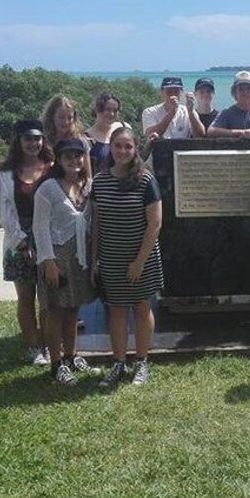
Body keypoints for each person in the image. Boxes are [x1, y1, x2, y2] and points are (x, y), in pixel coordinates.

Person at [91, 127, 164, 388]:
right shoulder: (99, 181)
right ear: (110, 147)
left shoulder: (146, 180)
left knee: (142, 308)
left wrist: (139, 262)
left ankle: (142, 362)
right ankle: (119, 363)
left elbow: (154, 224)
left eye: (128, 146)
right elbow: (97, 222)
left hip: (140, 258)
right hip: (111, 258)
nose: (123, 151)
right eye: (118, 146)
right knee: (117, 311)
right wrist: (94, 259)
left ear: (135, 150)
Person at [33, 138, 100, 385]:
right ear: (59, 161)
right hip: (57, 255)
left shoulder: (88, 186)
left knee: (73, 309)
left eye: (78, 156)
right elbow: (39, 227)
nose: (74, 161)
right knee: (55, 311)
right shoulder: (48, 188)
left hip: (79, 256)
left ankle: (71, 356)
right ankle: (56, 363)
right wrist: (48, 261)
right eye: (68, 156)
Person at [0, 119, 54, 366]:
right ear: (19, 141)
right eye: (28, 139)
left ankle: (50, 345)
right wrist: (20, 242)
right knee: (26, 297)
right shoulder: (6, 173)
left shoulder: (52, 168)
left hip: (49, 237)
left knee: (49, 297)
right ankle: (33, 347)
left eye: (37, 138)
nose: (33, 143)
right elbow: (3, 210)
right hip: (19, 240)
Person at [207, 71, 250, 138]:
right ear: (234, 92)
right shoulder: (227, 113)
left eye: (248, 89)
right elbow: (211, 131)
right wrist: (239, 132)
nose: (245, 92)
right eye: (241, 89)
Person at [142, 76, 205, 141]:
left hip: (181, 150)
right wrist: (171, 113)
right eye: (169, 92)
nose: (173, 95)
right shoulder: (149, 112)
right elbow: (149, 135)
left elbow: (200, 136)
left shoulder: (187, 111)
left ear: (181, 93)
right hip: (159, 150)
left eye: (176, 91)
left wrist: (191, 113)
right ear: (161, 92)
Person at [86, 92, 129, 175]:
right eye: (108, 110)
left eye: (115, 110)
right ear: (98, 110)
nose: (112, 114)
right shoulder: (87, 137)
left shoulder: (124, 128)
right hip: (100, 185)